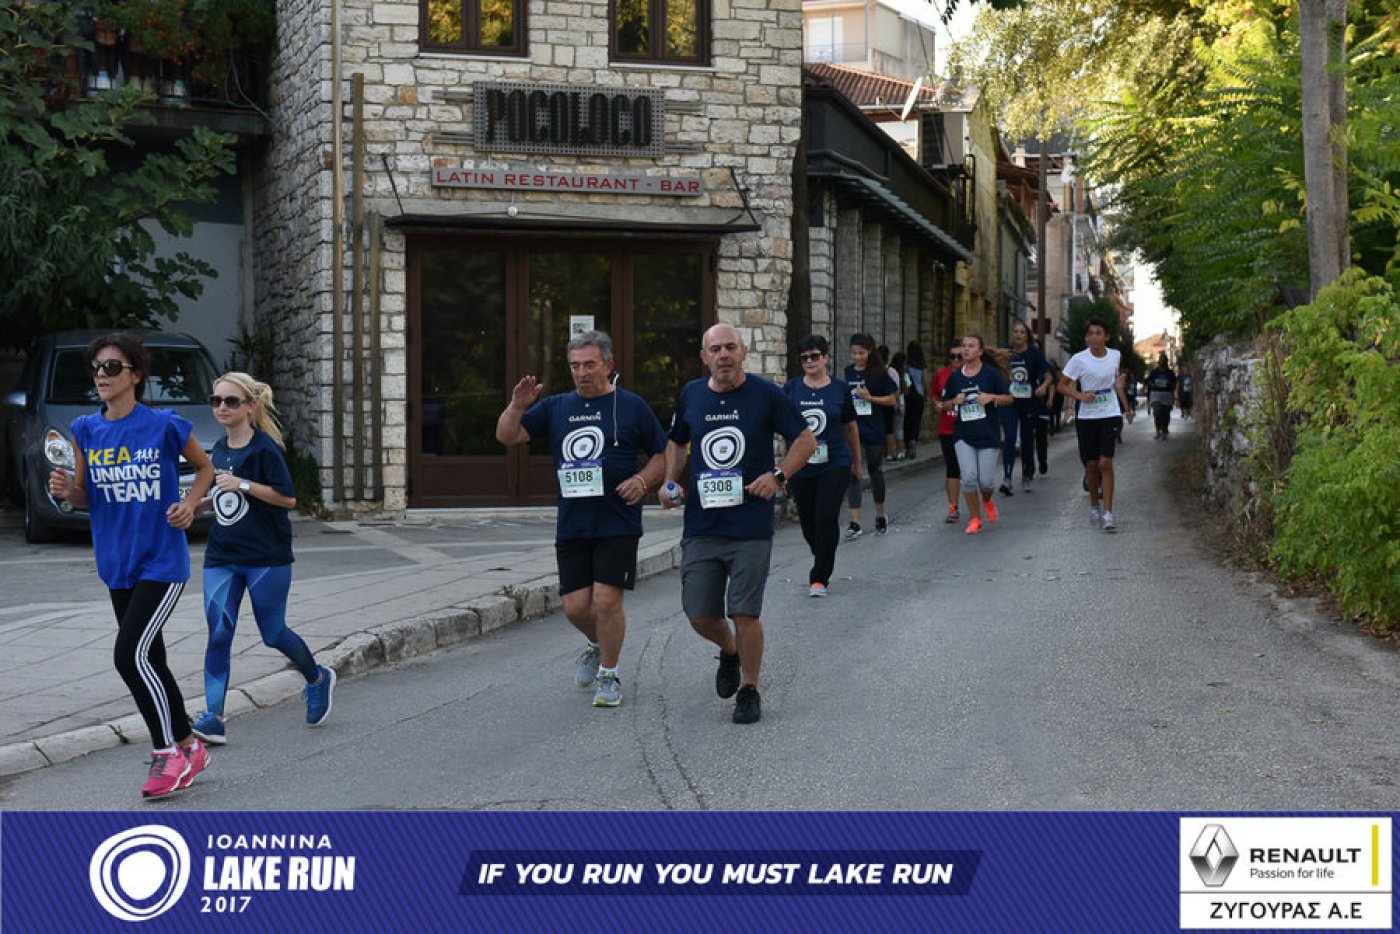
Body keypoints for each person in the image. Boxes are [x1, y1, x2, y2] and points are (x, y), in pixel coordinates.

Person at [47, 332, 214, 799]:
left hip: (161, 561)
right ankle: (190, 746)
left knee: (129, 656)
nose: (101, 375)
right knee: (151, 658)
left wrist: (189, 504)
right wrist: (68, 492)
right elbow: (86, 496)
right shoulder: (85, 429)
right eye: (97, 367)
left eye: (112, 367)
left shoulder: (164, 425)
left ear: (136, 375)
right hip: (116, 562)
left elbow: (205, 468)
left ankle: (166, 753)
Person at [496, 331, 667, 708]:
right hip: (573, 524)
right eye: (575, 366)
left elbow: (661, 453)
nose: (582, 372)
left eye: (590, 365)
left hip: (617, 522)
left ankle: (610, 674)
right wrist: (516, 406)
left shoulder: (631, 406)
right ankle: (596, 644)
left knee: (606, 601)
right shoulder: (557, 406)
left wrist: (643, 482)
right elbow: (508, 436)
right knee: (575, 607)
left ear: (609, 365)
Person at [661, 323, 816, 724]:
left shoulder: (766, 394)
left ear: (743, 353)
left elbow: (805, 440)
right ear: (704, 357)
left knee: (744, 612)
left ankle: (749, 689)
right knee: (699, 615)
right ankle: (729, 651)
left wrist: (778, 476)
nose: (724, 355)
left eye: (730, 347)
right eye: (716, 349)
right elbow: (677, 441)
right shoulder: (692, 394)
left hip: (750, 525)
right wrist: (670, 481)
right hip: (702, 525)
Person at [189, 372, 335, 746]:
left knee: (273, 634)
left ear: (250, 407)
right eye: (216, 401)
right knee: (219, 634)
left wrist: (243, 484)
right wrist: (196, 506)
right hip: (222, 556)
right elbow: (225, 495)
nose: (222, 407)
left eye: (230, 401)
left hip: (266, 557)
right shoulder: (219, 448)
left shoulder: (265, 449)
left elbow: (288, 498)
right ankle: (214, 718)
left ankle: (317, 678)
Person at [783, 335, 861, 597]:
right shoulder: (791, 389)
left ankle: (819, 577)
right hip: (801, 465)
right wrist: (783, 468)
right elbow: (783, 427)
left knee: (826, 515)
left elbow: (850, 427)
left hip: (834, 462)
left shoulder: (840, 389)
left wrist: (856, 462)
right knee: (808, 522)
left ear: (826, 358)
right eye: (804, 357)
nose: (810, 361)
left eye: (815, 356)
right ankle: (823, 553)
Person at [1058, 317, 1134, 532]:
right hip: (1087, 418)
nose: (1094, 337)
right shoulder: (1078, 360)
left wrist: (1126, 407)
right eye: (1090, 333)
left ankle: (1108, 512)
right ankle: (1094, 505)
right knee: (1091, 465)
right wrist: (1080, 396)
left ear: (1106, 337)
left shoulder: (1115, 355)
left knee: (1105, 463)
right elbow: (1061, 386)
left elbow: (1116, 383)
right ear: (1086, 338)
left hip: (1109, 413)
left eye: (1098, 333)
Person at [937, 334, 1014, 534]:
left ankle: (986, 500)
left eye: (971, 346)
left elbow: (1009, 398)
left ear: (980, 351)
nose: (966, 349)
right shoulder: (955, 377)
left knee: (986, 482)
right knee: (969, 478)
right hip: (963, 434)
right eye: (964, 346)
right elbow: (943, 405)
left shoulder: (991, 374)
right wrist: (954, 401)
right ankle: (975, 519)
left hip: (988, 434)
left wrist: (991, 397)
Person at [843, 334, 899, 538]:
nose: (857, 357)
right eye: (854, 353)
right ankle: (855, 521)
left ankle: (880, 515)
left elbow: (892, 399)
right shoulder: (848, 372)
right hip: (853, 428)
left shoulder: (879, 373)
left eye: (861, 353)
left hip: (873, 427)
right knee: (853, 472)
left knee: (875, 470)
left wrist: (870, 398)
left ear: (869, 352)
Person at [1000, 321, 1052, 495]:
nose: (1018, 334)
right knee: (1009, 437)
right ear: (1012, 334)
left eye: (1022, 332)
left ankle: (1026, 475)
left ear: (1026, 335)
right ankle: (1007, 478)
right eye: (1015, 331)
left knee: (1027, 439)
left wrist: (1043, 386)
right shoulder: (1005, 351)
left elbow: (1048, 375)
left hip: (1029, 401)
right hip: (1009, 401)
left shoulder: (1034, 353)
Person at [930, 341, 964, 523]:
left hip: (969, 428)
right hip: (947, 428)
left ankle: (976, 505)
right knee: (952, 468)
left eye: (960, 356)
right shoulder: (941, 374)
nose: (956, 360)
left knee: (970, 472)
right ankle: (953, 509)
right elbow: (934, 394)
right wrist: (937, 403)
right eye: (952, 357)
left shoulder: (973, 373)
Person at [902, 341, 927, 459]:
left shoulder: (906, 366)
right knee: (916, 421)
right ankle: (913, 440)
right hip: (919, 395)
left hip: (908, 396)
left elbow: (904, 381)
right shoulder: (922, 366)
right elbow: (924, 382)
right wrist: (926, 395)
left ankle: (907, 444)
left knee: (907, 420)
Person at [1146, 353, 1178, 440]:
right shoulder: (1154, 372)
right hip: (1155, 394)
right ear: (1158, 362)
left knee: (1165, 414)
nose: (1162, 362)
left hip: (1167, 395)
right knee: (1157, 412)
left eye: (1164, 361)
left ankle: (1164, 429)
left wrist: (1169, 383)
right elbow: (1148, 381)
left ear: (1166, 362)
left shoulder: (1170, 373)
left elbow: (1174, 385)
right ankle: (1158, 430)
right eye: (1161, 360)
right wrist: (1152, 384)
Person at [889, 350, 910, 460]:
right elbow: (906, 391)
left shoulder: (890, 372)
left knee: (891, 429)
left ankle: (890, 451)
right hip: (901, 403)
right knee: (899, 429)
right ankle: (900, 451)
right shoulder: (904, 375)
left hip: (890, 402)